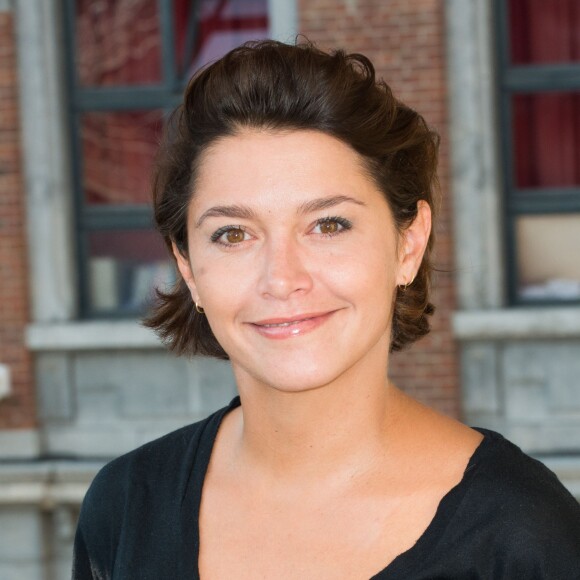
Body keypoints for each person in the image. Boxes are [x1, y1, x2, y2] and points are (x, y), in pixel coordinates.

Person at [72, 40, 580, 579]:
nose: (282, 278)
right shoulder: (125, 507)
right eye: (234, 234)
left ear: (408, 244)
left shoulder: (526, 537)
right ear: (189, 267)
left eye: (328, 225)